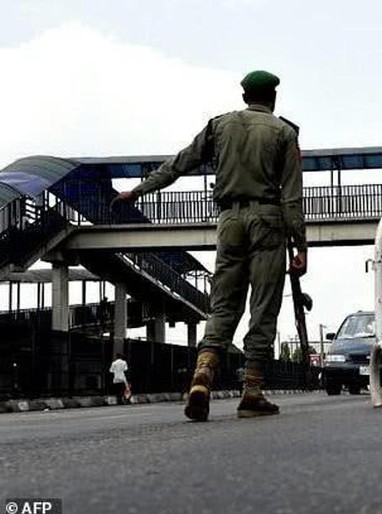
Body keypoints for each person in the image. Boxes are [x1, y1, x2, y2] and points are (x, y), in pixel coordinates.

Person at [112, 70, 307, 421]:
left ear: (245, 94)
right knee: (263, 306)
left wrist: (137, 191)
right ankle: (251, 391)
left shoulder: (219, 126)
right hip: (268, 222)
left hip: (229, 222)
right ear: (273, 98)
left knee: (223, 305)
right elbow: (291, 198)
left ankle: (203, 374)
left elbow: (178, 164)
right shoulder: (284, 133)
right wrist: (300, 246)